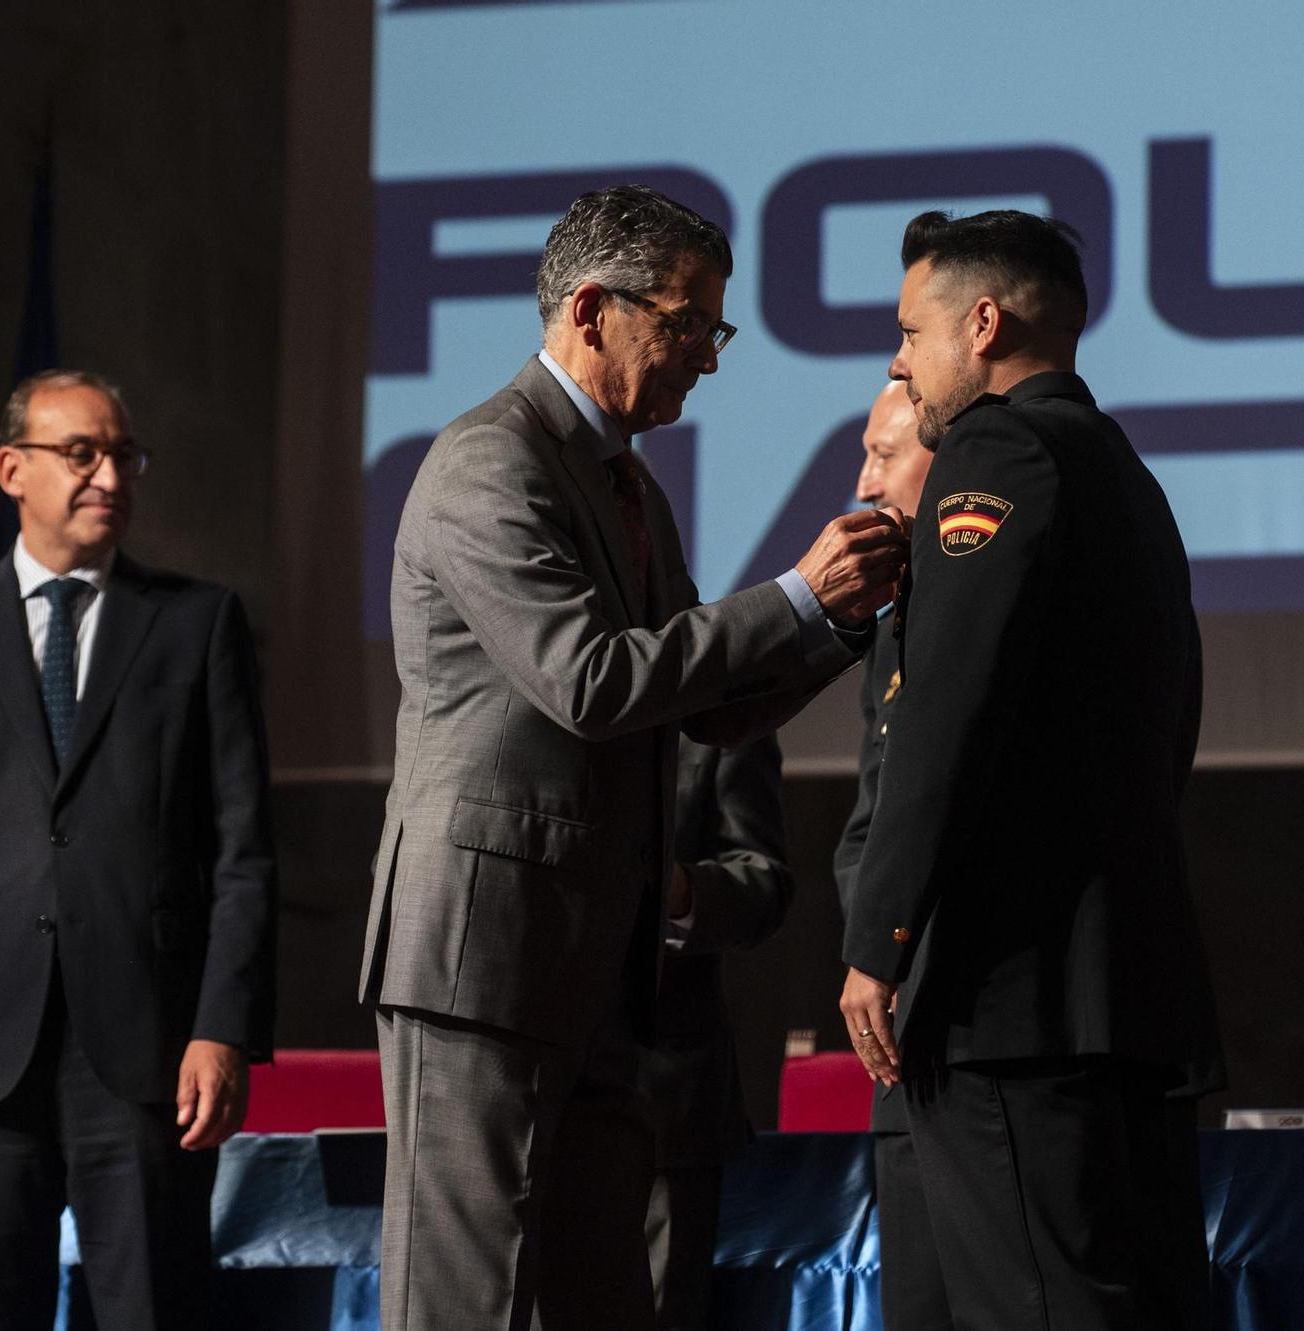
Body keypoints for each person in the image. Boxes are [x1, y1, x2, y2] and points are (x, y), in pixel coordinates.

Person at [360, 183, 906, 1331]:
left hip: (605, 971)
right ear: (594, 309)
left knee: (604, 1301)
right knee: (472, 1305)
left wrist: (842, 622)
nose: (707, 358)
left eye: (716, 329)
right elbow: (593, 679)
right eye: (688, 323)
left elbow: (702, 705)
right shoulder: (484, 463)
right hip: (483, 960)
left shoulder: (626, 482)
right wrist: (796, 592)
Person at [837, 211, 1223, 1330]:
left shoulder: (997, 450)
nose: (900, 361)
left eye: (911, 332)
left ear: (984, 323)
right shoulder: (1123, 474)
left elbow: (944, 714)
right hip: (1120, 990)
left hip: (1011, 1003)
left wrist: (879, 935)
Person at [0, 370, 277, 1331]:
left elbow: (244, 851)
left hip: (147, 1051)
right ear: (12, 469)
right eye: (80, 452)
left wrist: (223, 1026)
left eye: (123, 454)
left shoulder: (198, 624)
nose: (108, 475)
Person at [831, 380, 952, 1331]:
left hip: (975, 1027)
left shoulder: (972, 604)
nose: (865, 483)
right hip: (898, 1041)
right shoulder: (892, 617)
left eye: (886, 454)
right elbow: (869, 819)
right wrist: (874, 947)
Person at [643, 733, 793, 1330]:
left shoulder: (722, 719)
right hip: (534, 1091)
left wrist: (681, 891)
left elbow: (765, 883)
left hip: (664, 1096)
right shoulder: (520, 686)